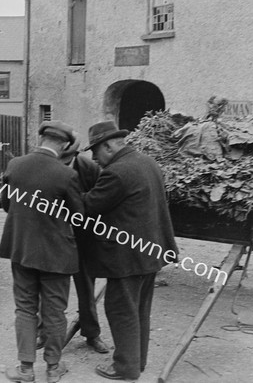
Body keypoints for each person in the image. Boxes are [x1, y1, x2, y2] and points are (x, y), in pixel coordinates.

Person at [82, 121, 178, 380]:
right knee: (140, 309)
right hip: (151, 251)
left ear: (109, 145)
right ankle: (138, 361)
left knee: (120, 309)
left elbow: (89, 206)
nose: (93, 158)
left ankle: (125, 367)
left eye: (95, 151)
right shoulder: (148, 163)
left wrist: (71, 192)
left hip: (127, 256)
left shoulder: (117, 172)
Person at [0, 120, 84, 383]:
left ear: (42, 139)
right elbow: (79, 217)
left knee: (24, 308)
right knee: (55, 311)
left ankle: (25, 369)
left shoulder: (15, 166)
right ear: (64, 145)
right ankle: (53, 368)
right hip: (56, 255)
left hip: (21, 249)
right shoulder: (67, 175)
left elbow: (5, 205)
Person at [37, 133, 110, 354]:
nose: (63, 165)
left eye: (67, 161)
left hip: (83, 238)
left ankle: (91, 334)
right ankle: (44, 332)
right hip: (53, 238)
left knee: (86, 287)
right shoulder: (46, 165)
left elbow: (102, 199)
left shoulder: (89, 168)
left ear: (75, 155)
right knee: (48, 288)